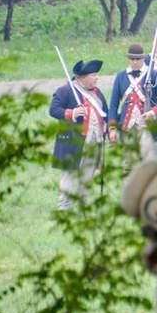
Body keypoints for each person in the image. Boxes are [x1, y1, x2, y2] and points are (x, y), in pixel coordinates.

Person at [49, 59, 108, 210]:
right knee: (69, 174)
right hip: (73, 141)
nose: (97, 78)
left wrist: (109, 130)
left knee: (88, 174)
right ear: (82, 78)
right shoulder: (66, 91)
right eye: (93, 75)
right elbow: (53, 110)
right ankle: (65, 206)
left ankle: (83, 204)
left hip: (94, 141)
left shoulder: (97, 93)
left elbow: (105, 115)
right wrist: (72, 113)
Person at [108, 44, 157, 163]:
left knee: (151, 165)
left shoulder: (153, 74)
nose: (134, 62)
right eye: (132, 59)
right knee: (128, 166)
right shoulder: (121, 77)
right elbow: (113, 105)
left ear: (143, 58)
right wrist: (112, 127)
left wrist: (153, 113)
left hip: (148, 128)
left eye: (137, 59)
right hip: (127, 129)